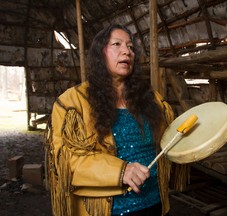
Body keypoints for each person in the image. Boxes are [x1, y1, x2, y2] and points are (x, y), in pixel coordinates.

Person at [47, 24, 175, 216]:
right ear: (100, 53)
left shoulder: (152, 99)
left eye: (131, 47)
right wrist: (121, 171)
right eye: (117, 44)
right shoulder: (72, 103)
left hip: (155, 204)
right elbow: (66, 161)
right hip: (108, 210)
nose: (127, 51)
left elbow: (167, 142)